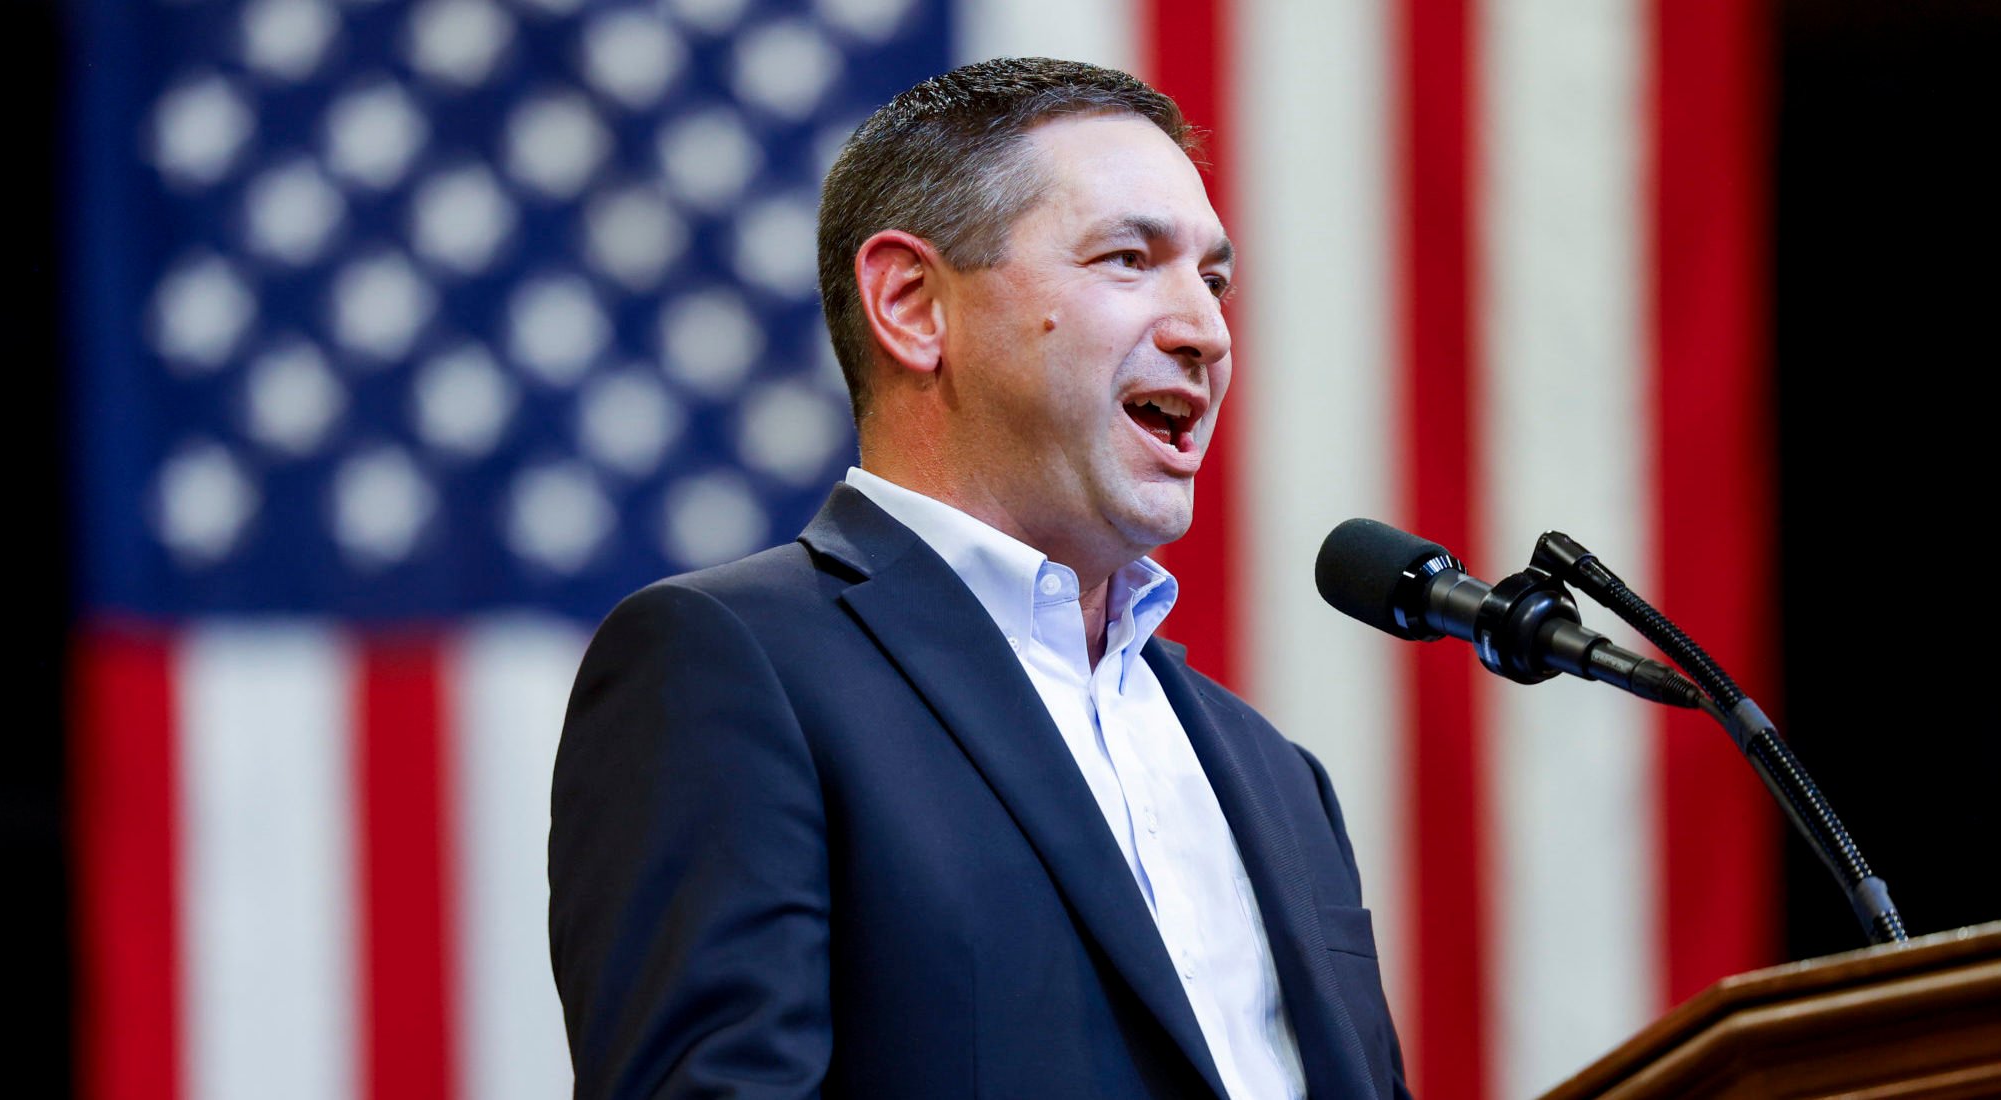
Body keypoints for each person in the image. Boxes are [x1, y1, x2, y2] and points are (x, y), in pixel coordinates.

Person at [549, 58, 1410, 1099]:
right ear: (912, 304)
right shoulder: (728, 667)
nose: (1206, 331)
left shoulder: (1274, 772)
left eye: (1214, 280)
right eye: (1129, 258)